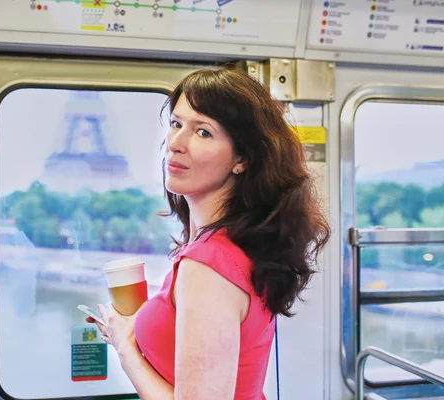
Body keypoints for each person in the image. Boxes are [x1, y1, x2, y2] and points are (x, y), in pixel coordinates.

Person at [87, 67, 330, 400]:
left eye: (202, 132)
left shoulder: (208, 264)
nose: (175, 144)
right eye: (176, 124)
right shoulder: (229, 245)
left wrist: (126, 347)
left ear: (241, 158)